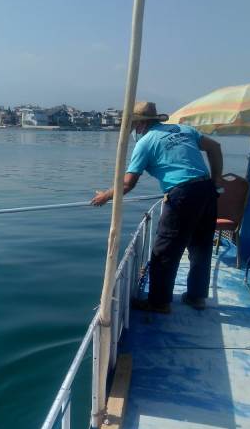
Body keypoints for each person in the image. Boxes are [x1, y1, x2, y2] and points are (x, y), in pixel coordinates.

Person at [91, 102, 223, 313]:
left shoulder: (145, 143)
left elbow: (127, 183)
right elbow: (215, 147)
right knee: (201, 246)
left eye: (133, 126)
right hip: (206, 190)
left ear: (141, 123)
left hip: (182, 194)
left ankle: (159, 303)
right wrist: (217, 179)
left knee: (165, 251)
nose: (133, 130)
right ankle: (196, 297)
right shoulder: (183, 129)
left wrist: (104, 196)